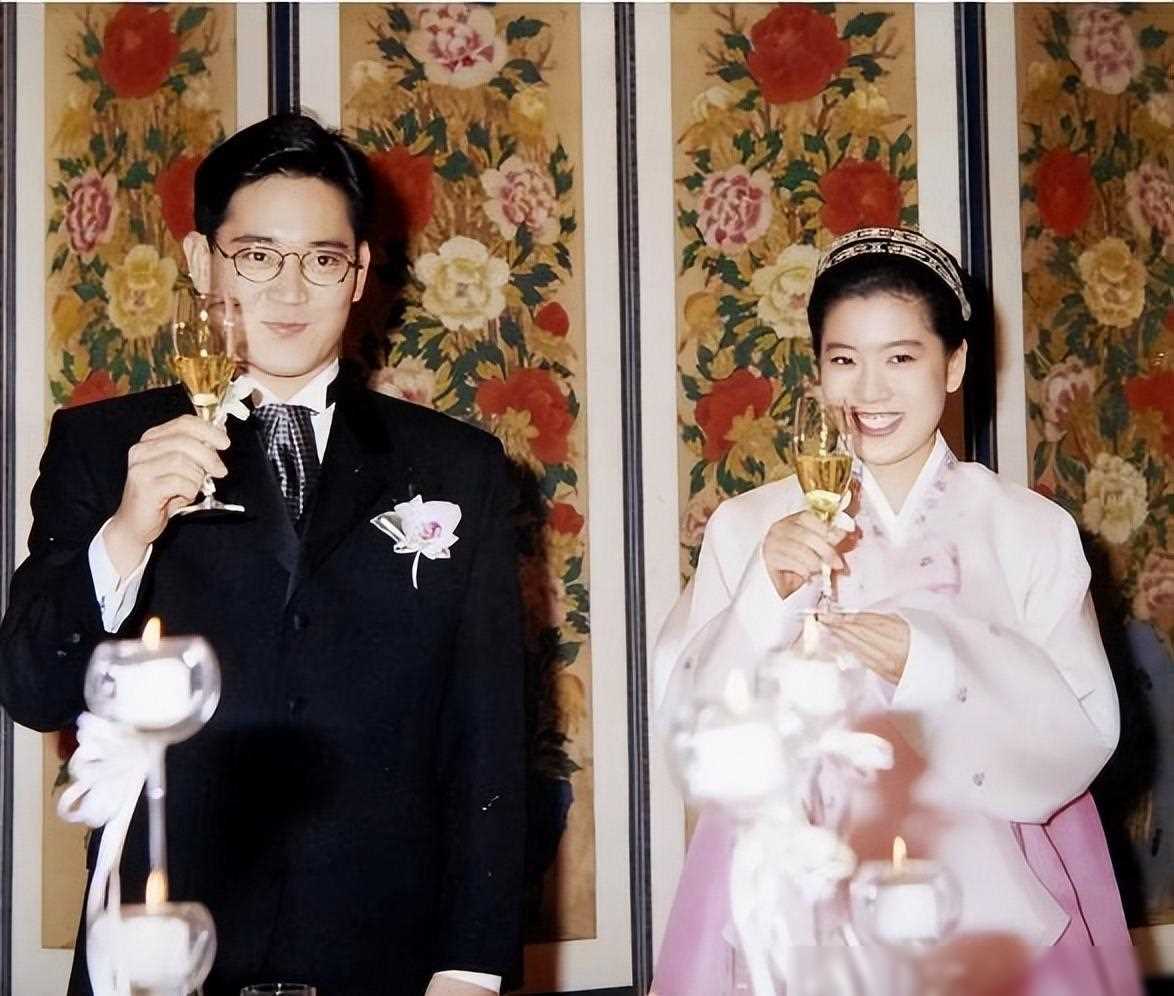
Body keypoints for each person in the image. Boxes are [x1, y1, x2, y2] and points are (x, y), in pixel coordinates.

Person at [0, 113, 525, 996]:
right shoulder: (104, 445)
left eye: (322, 259)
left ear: (360, 273)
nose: (289, 290)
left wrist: (471, 965)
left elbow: (488, 736)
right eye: (255, 255)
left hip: (384, 946)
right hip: (163, 938)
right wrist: (126, 532)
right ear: (201, 261)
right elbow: (33, 689)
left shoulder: (455, 466)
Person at [651, 228, 1140, 995]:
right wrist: (762, 595)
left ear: (955, 363)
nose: (870, 392)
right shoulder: (752, 527)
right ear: (818, 369)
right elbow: (694, 738)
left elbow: (1082, 733)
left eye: (902, 358)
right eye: (844, 360)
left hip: (988, 888)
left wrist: (936, 665)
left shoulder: (1027, 530)